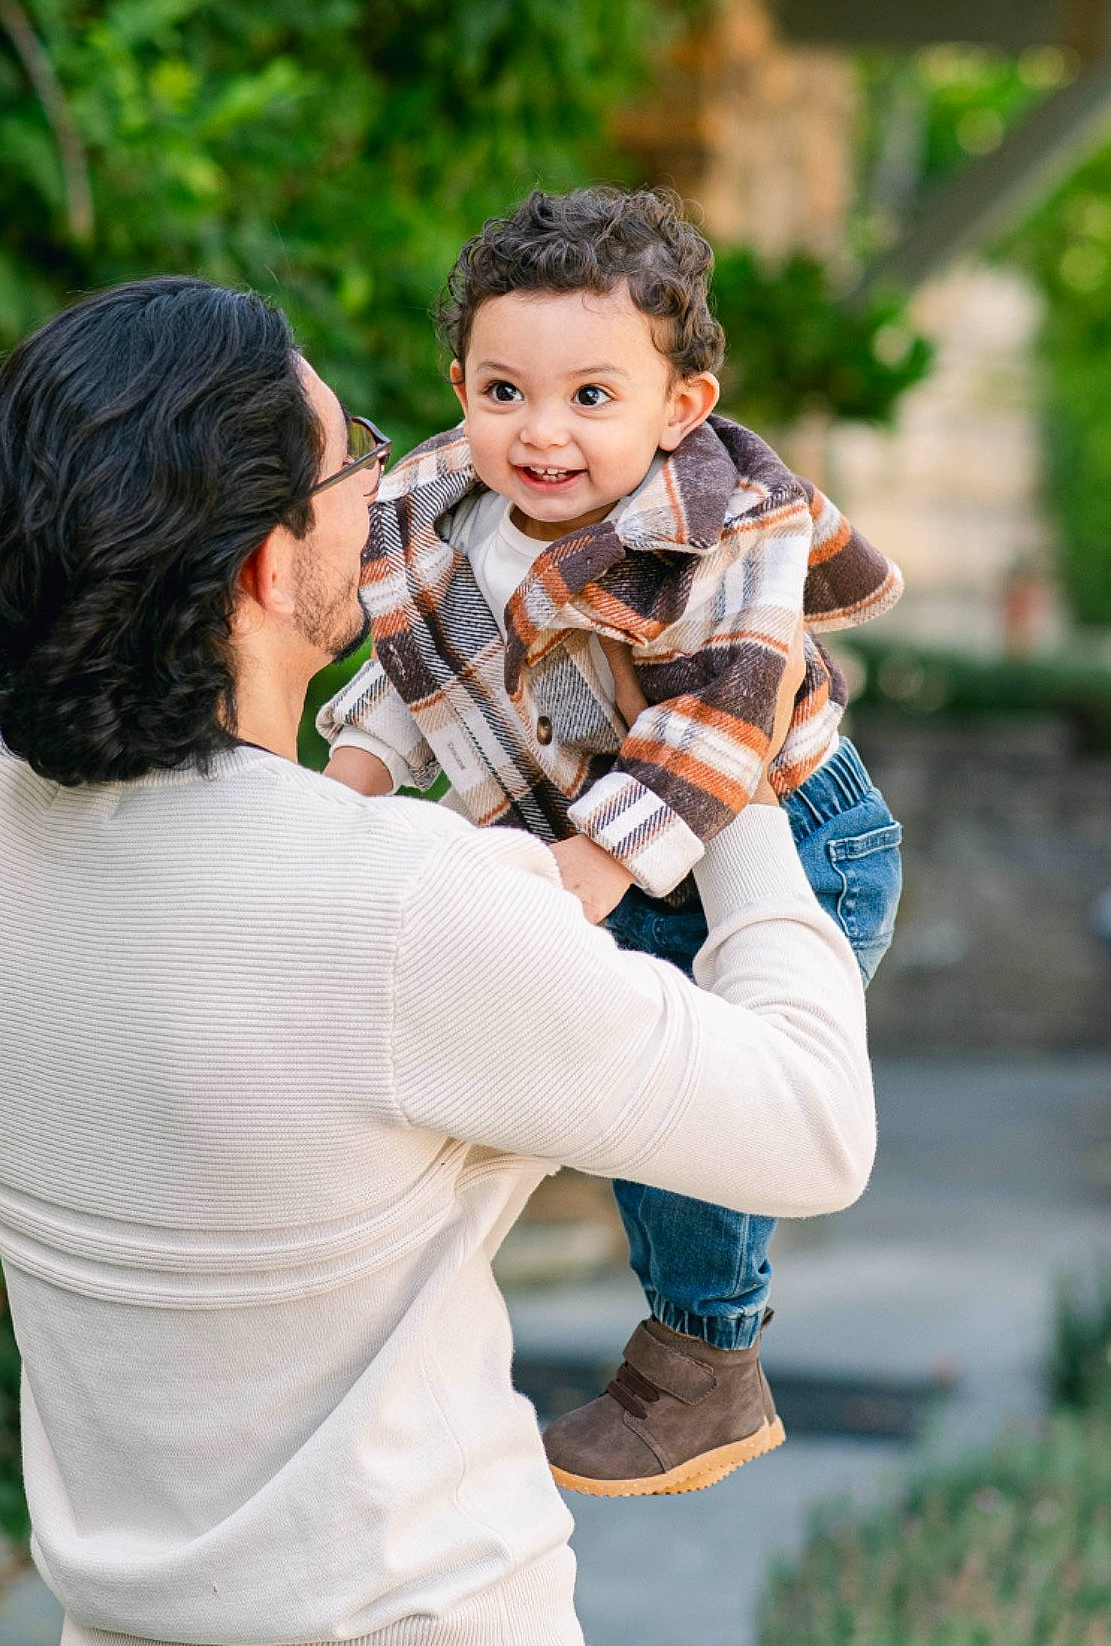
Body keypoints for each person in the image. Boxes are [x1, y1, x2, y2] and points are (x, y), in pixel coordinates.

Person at [0, 274, 875, 1646]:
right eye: (352, 455)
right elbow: (812, 1132)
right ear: (259, 563)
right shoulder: (398, 914)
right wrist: (742, 772)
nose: (384, 485)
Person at [321, 185, 903, 1498]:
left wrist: (578, 880)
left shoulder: (724, 518)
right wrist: (344, 789)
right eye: (500, 390)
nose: (539, 433)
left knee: (695, 1113)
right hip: (608, 847)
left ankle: (704, 1358)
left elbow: (729, 705)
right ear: (457, 382)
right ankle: (383, 1341)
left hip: (789, 839)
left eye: (591, 397)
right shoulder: (428, 509)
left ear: (677, 407)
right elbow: (418, 676)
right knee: (599, 1101)